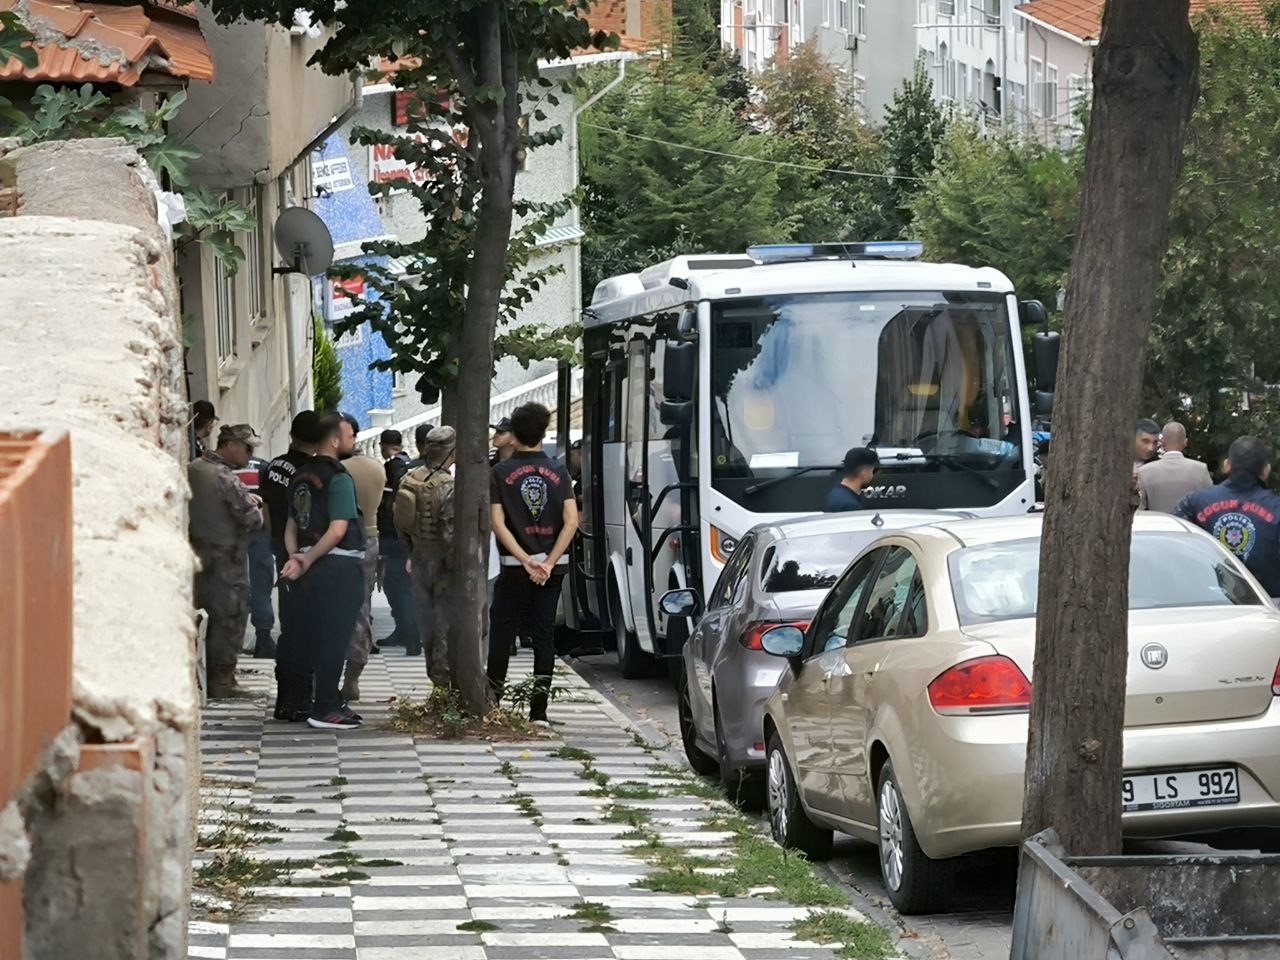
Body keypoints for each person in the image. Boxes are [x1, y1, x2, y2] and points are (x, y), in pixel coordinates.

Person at [487, 403, 579, 724]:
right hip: (552, 569)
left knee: (501, 631)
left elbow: (498, 523)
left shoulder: (499, 473)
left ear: (514, 434)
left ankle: (493, 701)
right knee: (543, 636)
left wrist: (525, 560)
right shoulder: (560, 472)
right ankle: (538, 711)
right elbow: (571, 521)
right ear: (543, 432)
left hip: (514, 566)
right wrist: (548, 563)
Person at [282, 413, 367, 730]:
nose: (353, 440)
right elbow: (337, 529)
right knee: (335, 639)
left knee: (313, 637)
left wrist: (297, 557)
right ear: (334, 440)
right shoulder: (339, 478)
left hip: (307, 566)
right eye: (349, 435)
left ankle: (323, 700)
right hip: (337, 566)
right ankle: (325, 707)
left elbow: (291, 525)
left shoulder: (300, 475)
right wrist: (309, 559)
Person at [188, 424, 264, 699]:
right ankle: (222, 681)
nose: (250, 453)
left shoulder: (195, 467)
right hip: (226, 558)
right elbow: (251, 519)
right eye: (247, 447)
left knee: (204, 616)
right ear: (230, 445)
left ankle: (206, 676)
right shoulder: (224, 476)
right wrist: (255, 506)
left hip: (199, 553)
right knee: (230, 618)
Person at [260, 412, 321, 720]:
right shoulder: (311, 472)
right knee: (309, 628)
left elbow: (268, 512)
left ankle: (284, 701)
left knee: (289, 629)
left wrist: (276, 547)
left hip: (282, 553)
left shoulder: (272, 468)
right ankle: (303, 701)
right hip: (307, 555)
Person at [1176, 436, 1280, 597]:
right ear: (1266, 470)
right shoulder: (1276, 507)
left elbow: (1174, 546)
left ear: (1227, 465)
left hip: (1210, 599)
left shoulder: (1194, 502)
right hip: (1270, 605)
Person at [394, 427, 458, 686]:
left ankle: (434, 678)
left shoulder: (409, 480)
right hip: (443, 564)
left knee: (428, 626)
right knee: (444, 626)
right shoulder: (448, 487)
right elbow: (450, 533)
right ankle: (444, 687)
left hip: (420, 559)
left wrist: (412, 552)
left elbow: (401, 525)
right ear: (451, 452)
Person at [337, 412, 386, 701]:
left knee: (334, 609)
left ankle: (331, 676)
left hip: (341, 541)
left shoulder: (338, 470)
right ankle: (353, 676)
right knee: (361, 607)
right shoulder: (375, 467)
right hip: (370, 537)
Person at [377, 428, 417, 648]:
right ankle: (407, 632)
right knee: (403, 586)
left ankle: (407, 633)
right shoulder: (409, 464)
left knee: (397, 585)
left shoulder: (393, 465)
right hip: (404, 536)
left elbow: (391, 503)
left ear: (383, 445)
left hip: (394, 536)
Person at [235, 452, 277, 658]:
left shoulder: (221, 469)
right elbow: (271, 503)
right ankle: (263, 639)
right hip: (259, 535)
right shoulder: (263, 467)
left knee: (233, 587)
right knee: (262, 586)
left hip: (230, 537)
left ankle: (232, 642)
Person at [1137, 421, 1212, 513]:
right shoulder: (1201, 469)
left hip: (1156, 525)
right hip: (1191, 526)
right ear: (1185, 442)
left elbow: (1139, 509)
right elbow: (1210, 504)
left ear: (1162, 442)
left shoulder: (1144, 471)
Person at [825, 447, 880, 512]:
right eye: (873, 472)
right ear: (864, 473)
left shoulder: (835, 493)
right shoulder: (850, 506)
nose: (872, 476)